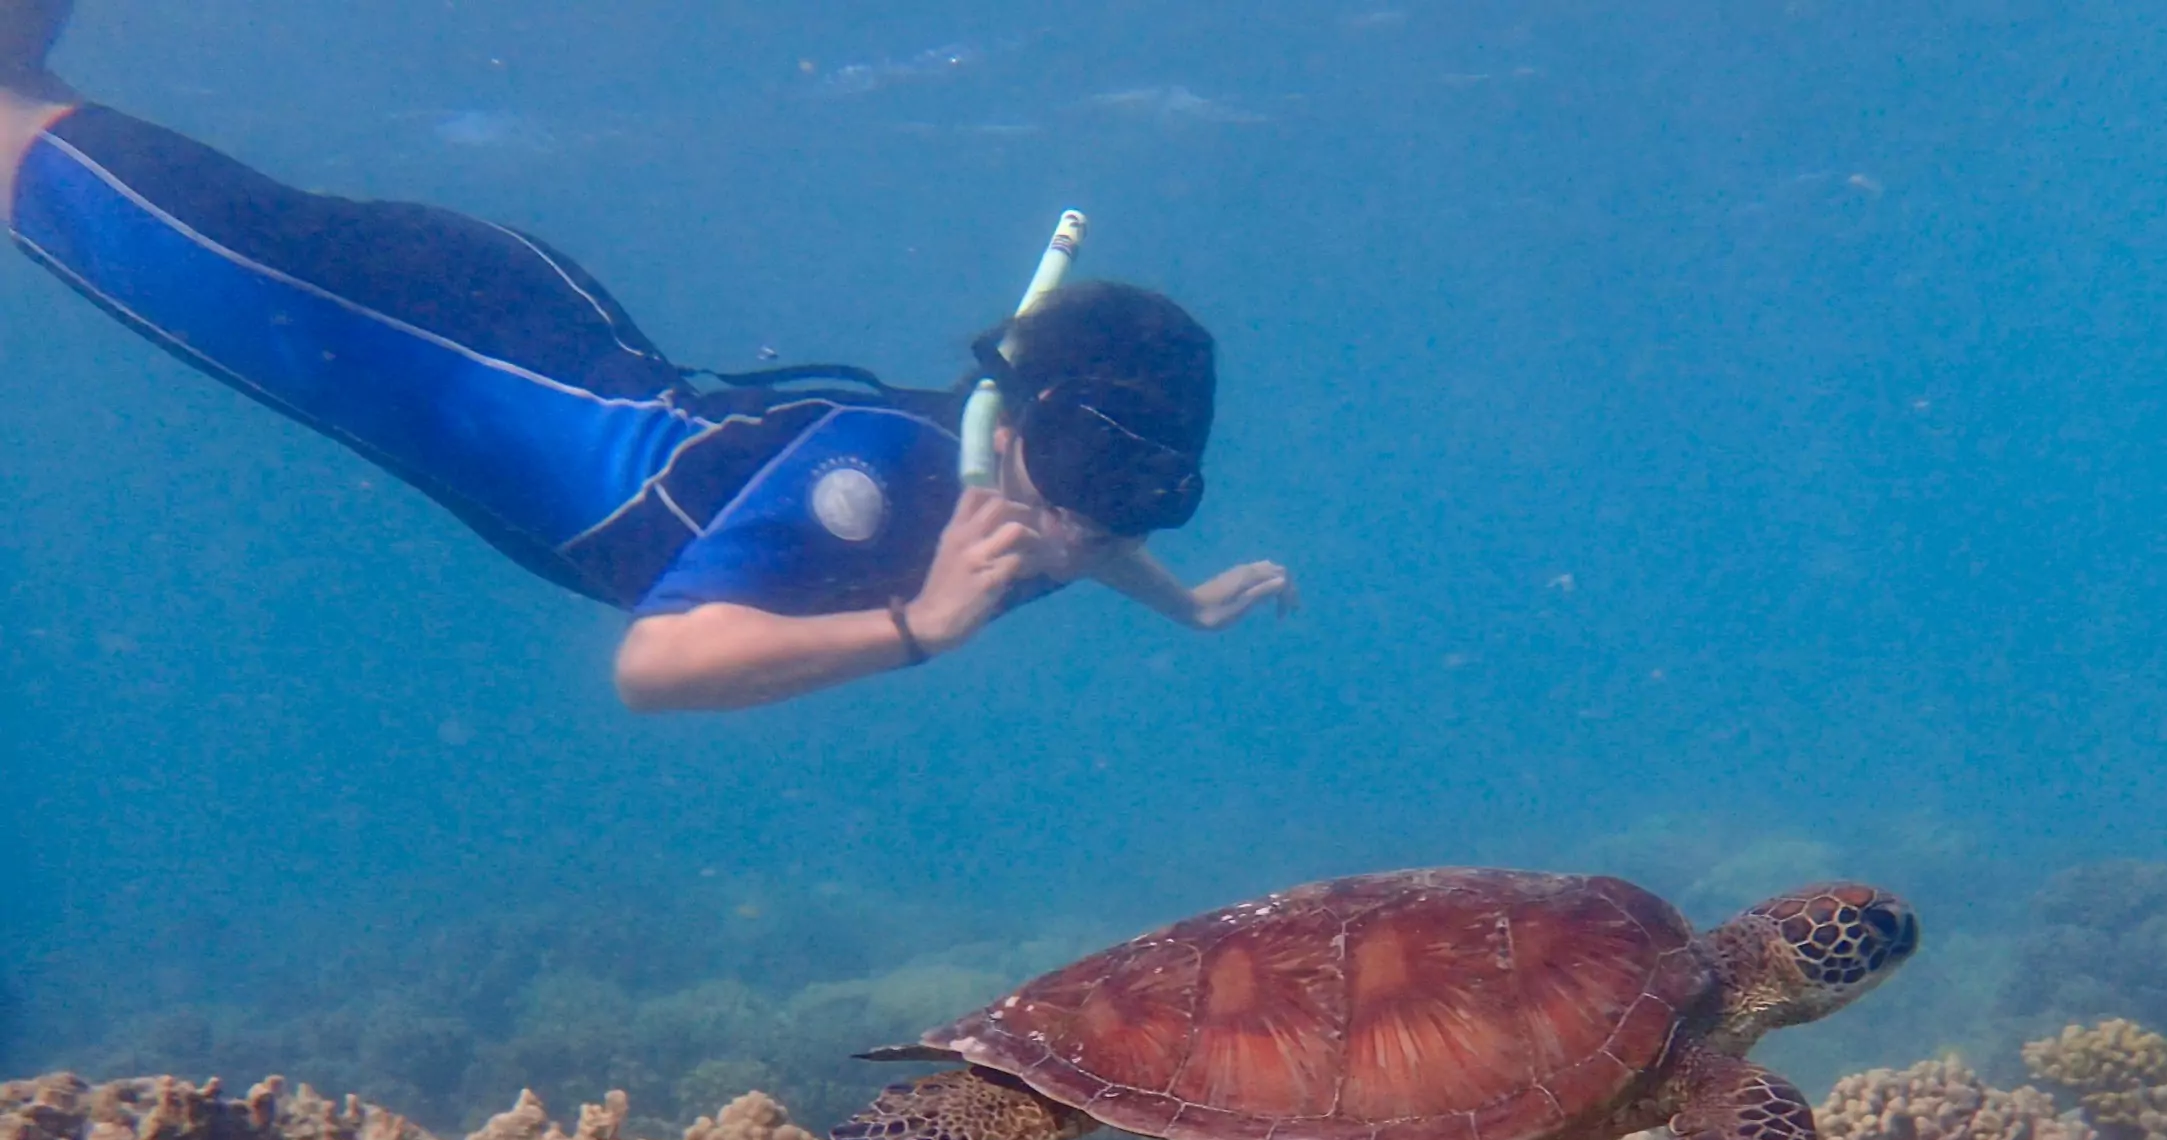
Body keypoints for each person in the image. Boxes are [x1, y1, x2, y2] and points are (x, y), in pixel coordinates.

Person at [0, 2, 1297, 712]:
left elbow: (1085, 527)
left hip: (563, 337)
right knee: (108, 209)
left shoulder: (1042, 501)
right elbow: (659, 665)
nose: (1091, 520)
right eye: (1083, 465)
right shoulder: (878, 482)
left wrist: (1179, 598)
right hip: (433, 345)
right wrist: (920, 626)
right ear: (1013, 417)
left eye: (1146, 488)